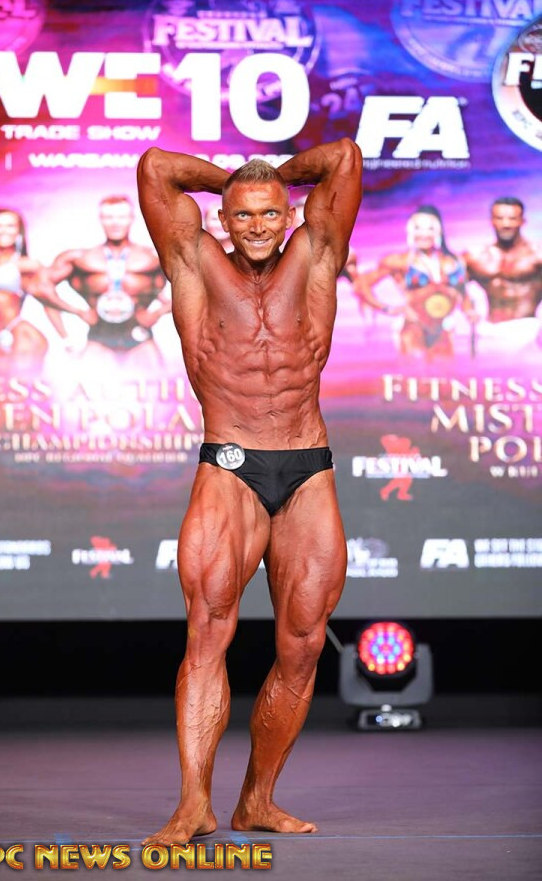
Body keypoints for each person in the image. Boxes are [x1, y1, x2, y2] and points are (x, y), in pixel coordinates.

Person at [136, 139, 362, 845]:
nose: (258, 226)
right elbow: (156, 168)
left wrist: (269, 179)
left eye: (269, 213)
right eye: (242, 215)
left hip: (307, 467)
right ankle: (193, 805)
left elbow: (344, 158)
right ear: (223, 220)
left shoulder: (315, 253)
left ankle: (257, 800)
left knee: (303, 644)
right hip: (230, 464)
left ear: (289, 214)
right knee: (207, 633)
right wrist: (237, 179)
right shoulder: (193, 259)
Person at [0, 208, 91, 372]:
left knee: (18, 383)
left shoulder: (28, 265)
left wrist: (66, 337)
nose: (4, 231)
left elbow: (46, 299)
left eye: (10, 226)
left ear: (19, 232)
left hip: (25, 337)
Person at [48, 195, 171, 369]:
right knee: (87, 386)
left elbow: (196, 289)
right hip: (99, 339)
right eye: (109, 217)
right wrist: (76, 315)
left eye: (121, 217)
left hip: (140, 338)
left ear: (132, 218)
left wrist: (158, 312)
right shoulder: (80, 259)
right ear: (100, 219)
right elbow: (41, 289)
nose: (115, 223)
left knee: (157, 385)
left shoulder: (154, 257)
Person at [356, 205, 476, 359]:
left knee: (446, 371)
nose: (424, 234)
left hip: (443, 331)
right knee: (415, 370)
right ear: (411, 231)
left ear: (438, 231)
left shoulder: (453, 261)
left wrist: (469, 312)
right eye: (418, 228)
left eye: (429, 228)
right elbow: (361, 285)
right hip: (413, 329)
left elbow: (463, 294)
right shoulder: (400, 261)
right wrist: (388, 309)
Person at [463, 197, 542, 353]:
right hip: (489, 330)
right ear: (492, 221)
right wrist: (468, 308)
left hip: (527, 330)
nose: (506, 224)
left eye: (512, 219)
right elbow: (453, 286)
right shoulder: (476, 257)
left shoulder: (537, 255)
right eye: (500, 218)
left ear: (522, 221)